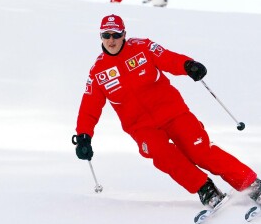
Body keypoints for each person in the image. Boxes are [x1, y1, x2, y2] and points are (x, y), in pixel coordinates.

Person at [72, 14, 261, 209]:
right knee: (162, 154)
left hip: (173, 112)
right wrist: (84, 136)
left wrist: (187, 65)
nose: (111, 40)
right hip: (141, 127)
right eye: (106, 35)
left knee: (200, 151)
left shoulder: (142, 47)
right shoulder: (98, 72)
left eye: (116, 34)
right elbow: (89, 107)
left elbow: (168, 58)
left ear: (124, 34)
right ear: (101, 37)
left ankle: (252, 185)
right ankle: (205, 189)